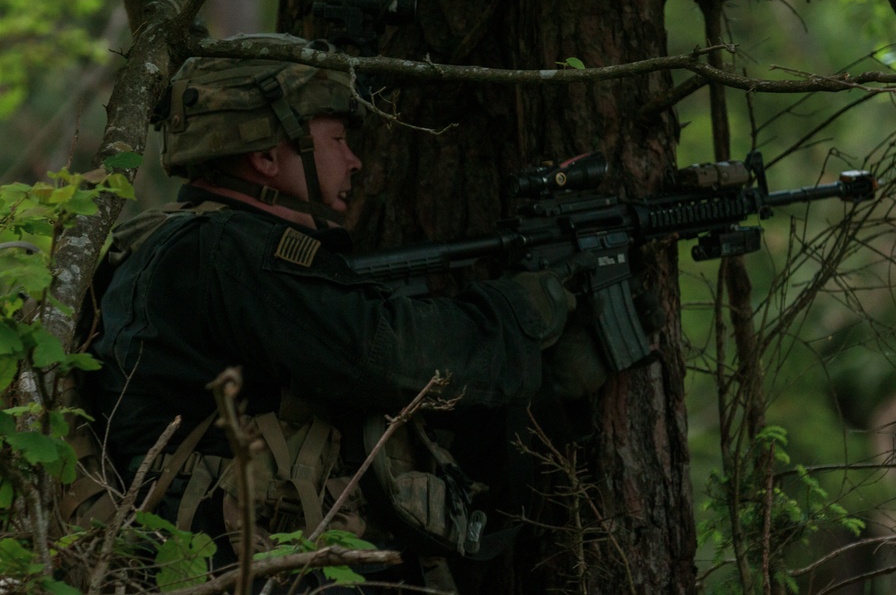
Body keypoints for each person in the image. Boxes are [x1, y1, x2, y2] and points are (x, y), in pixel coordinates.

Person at [86, 33, 583, 590]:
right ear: (268, 155)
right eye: (337, 139)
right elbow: (385, 354)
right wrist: (518, 313)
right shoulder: (229, 251)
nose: (354, 160)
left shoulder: (183, 241)